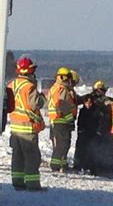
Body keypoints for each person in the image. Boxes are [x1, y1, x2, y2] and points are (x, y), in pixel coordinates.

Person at [7, 56, 46, 191]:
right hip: (27, 127)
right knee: (32, 157)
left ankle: (17, 182)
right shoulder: (29, 86)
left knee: (17, 155)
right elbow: (36, 103)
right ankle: (32, 184)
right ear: (31, 70)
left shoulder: (12, 84)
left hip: (14, 126)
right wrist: (42, 97)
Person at [48, 67, 76, 172]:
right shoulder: (62, 89)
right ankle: (55, 165)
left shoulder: (54, 88)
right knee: (61, 145)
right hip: (61, 120)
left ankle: (61, 164)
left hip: (55, 120)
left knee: (61, 144)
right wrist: (70, 119)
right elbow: (63, 105)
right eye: (68, 77)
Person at [73, 95, 99, 173]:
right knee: (80, 150)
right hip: (83, 133)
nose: (88, 104)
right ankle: (78, 165)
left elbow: (98, 122)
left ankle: (91, 167)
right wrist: (80, 131)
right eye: (86, 102)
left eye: (90, 102)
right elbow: (80, 122)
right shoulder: (82, 110)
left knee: (91, 151)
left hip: (92, 133)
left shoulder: (96, 110)